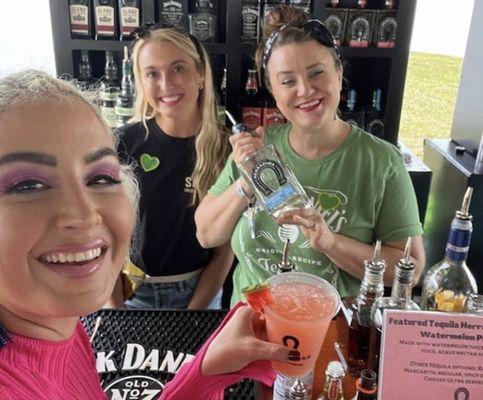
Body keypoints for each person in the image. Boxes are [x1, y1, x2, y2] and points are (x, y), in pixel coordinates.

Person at [0, 70, 293, 399]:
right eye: (27, 185)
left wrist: (206, 372)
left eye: (100, 177)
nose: (84, 216)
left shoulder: (62, 325)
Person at [195, 6, 425, 306]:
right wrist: (250, 181)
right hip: (248, 323)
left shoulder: (380, 162)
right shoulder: (257, 150)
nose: (305, 90)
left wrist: (331, 243)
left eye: (317, 73)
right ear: (274, 91)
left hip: (329, 330)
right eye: (288, 81)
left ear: (339, 75)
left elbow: (411, 268)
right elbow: (206, 234)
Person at [115, 23, 233, 309]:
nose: (166, 84)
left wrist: (194, 312)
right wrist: (113, 306)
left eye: (178, 68)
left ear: (201, 75)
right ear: (141, 81)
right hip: (131, 292)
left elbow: (225, 251)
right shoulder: (123, 143)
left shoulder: (227, 148)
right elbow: (104, 231)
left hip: (201, 292)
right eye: (152, 73)